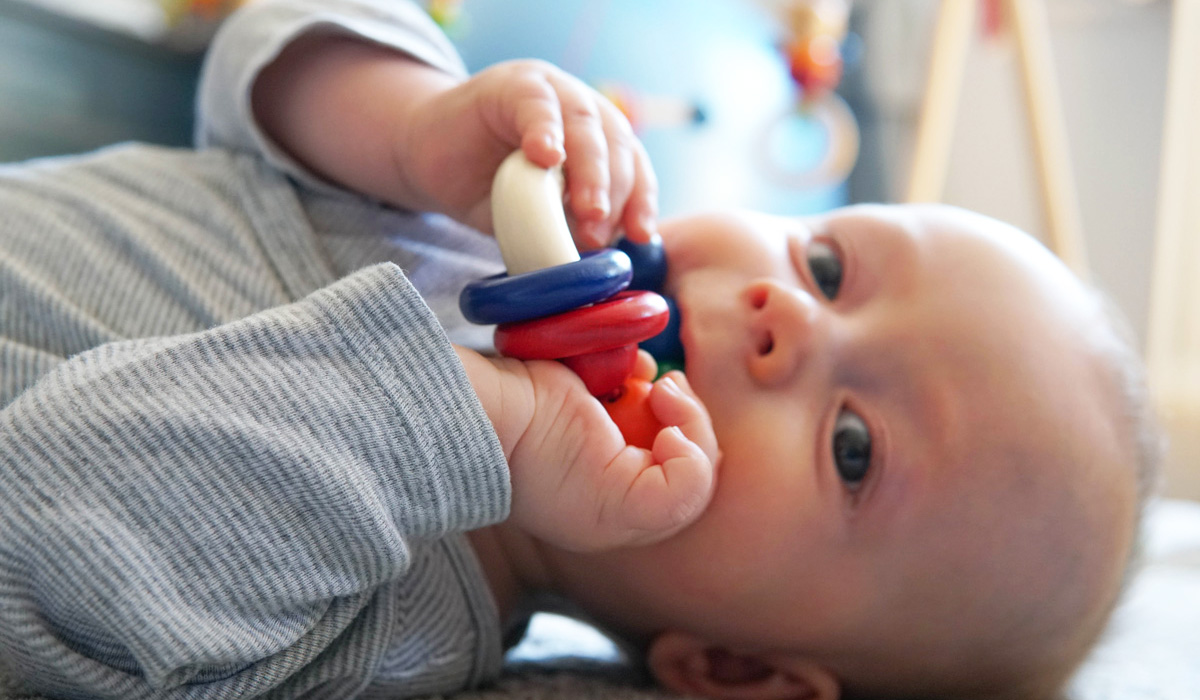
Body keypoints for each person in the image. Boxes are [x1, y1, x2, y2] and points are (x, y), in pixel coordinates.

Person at [0, 2, 1158, 700]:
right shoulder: (464, 209)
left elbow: (43, 527)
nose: (785, 316)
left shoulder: (394, 626)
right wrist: (412, 124)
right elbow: (256, 66)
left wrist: (476, 421)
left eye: (853, 447)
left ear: (732, 671)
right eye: (829, 266)